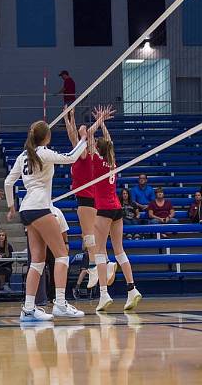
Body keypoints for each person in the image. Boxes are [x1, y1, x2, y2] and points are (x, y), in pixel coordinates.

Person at [4, 113, 97, 322]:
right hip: (40, 207)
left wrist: (12, 207)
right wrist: (84, 139)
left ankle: (28, 308)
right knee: (62, 254)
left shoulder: (23, 156)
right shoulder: (43, 153)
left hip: (27, 208)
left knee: (37, 260)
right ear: (46, 138)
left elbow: (8, 183)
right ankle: (61, 304)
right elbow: (72, 157)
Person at [89, 108, 142, 312]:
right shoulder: (112, 160)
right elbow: (107, 142)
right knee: (119, 250)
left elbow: (89, 136)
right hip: (117, 208)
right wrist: (103, 123)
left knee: (100, 252)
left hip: (103, 209)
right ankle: (132, 289)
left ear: (97, 149)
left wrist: (98, 121)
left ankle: (104, 294)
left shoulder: (96, 160)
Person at [63, 106, 116, 290]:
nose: (82, 129)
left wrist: (99, 121)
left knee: (89, 237)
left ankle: (96, 266)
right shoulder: (78, 152)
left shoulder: (85, 153)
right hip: (88, 199)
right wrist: (68, 117)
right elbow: (72, 136)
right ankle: (104, 263)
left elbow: (86, 135)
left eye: (84, 129)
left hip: (87, 199)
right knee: (92, 237)